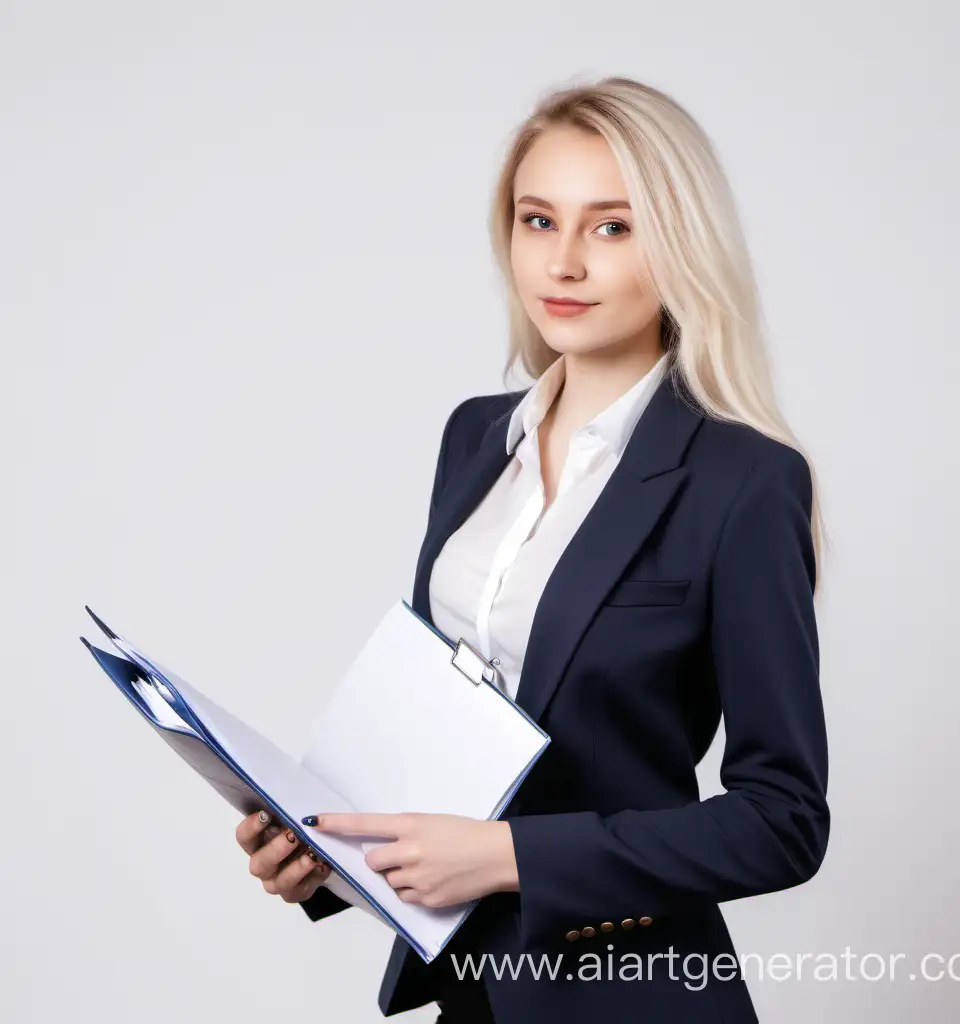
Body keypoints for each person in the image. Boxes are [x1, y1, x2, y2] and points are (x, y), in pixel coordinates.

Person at [234, 75, 830, 1023]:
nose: (563, 263)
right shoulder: (475, 439)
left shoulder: (743, 481)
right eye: (537, 220)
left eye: (611, 227)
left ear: (679, 242)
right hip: (470, 985)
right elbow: (442, 718)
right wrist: (324, 854)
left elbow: (784, 821)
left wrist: (508, 858)